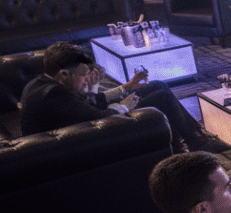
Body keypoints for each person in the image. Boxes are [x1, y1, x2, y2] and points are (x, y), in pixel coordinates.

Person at [19, 41, 214, 151]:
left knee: (157, 84)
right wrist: (124, 106)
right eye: (83, 75)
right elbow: (99, 116)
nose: (86, 80)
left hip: (83, 128)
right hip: (75, 145)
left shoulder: (43, 83)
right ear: (63, 74)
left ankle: (186, 139)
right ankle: (194, 143)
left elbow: (88, 106)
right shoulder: (53, 96)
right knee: (161, 97)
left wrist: (126, 87)